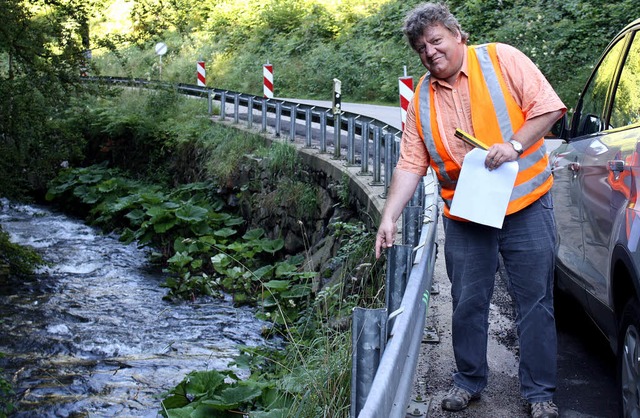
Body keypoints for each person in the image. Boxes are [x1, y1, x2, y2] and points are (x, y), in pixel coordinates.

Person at [374, 3, 566, 418]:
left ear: (458, 35)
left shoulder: (501, 58)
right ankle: (468, 381)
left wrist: (513, 145)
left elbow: (550, 107)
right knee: (467, 302)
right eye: (422, 48)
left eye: (437, 41)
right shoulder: (421, 97)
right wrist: (389, 215)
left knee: (534, 301)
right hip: (466, 215)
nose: (431, 52)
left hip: (526, 204)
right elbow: (411, 162)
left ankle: (539, 395)